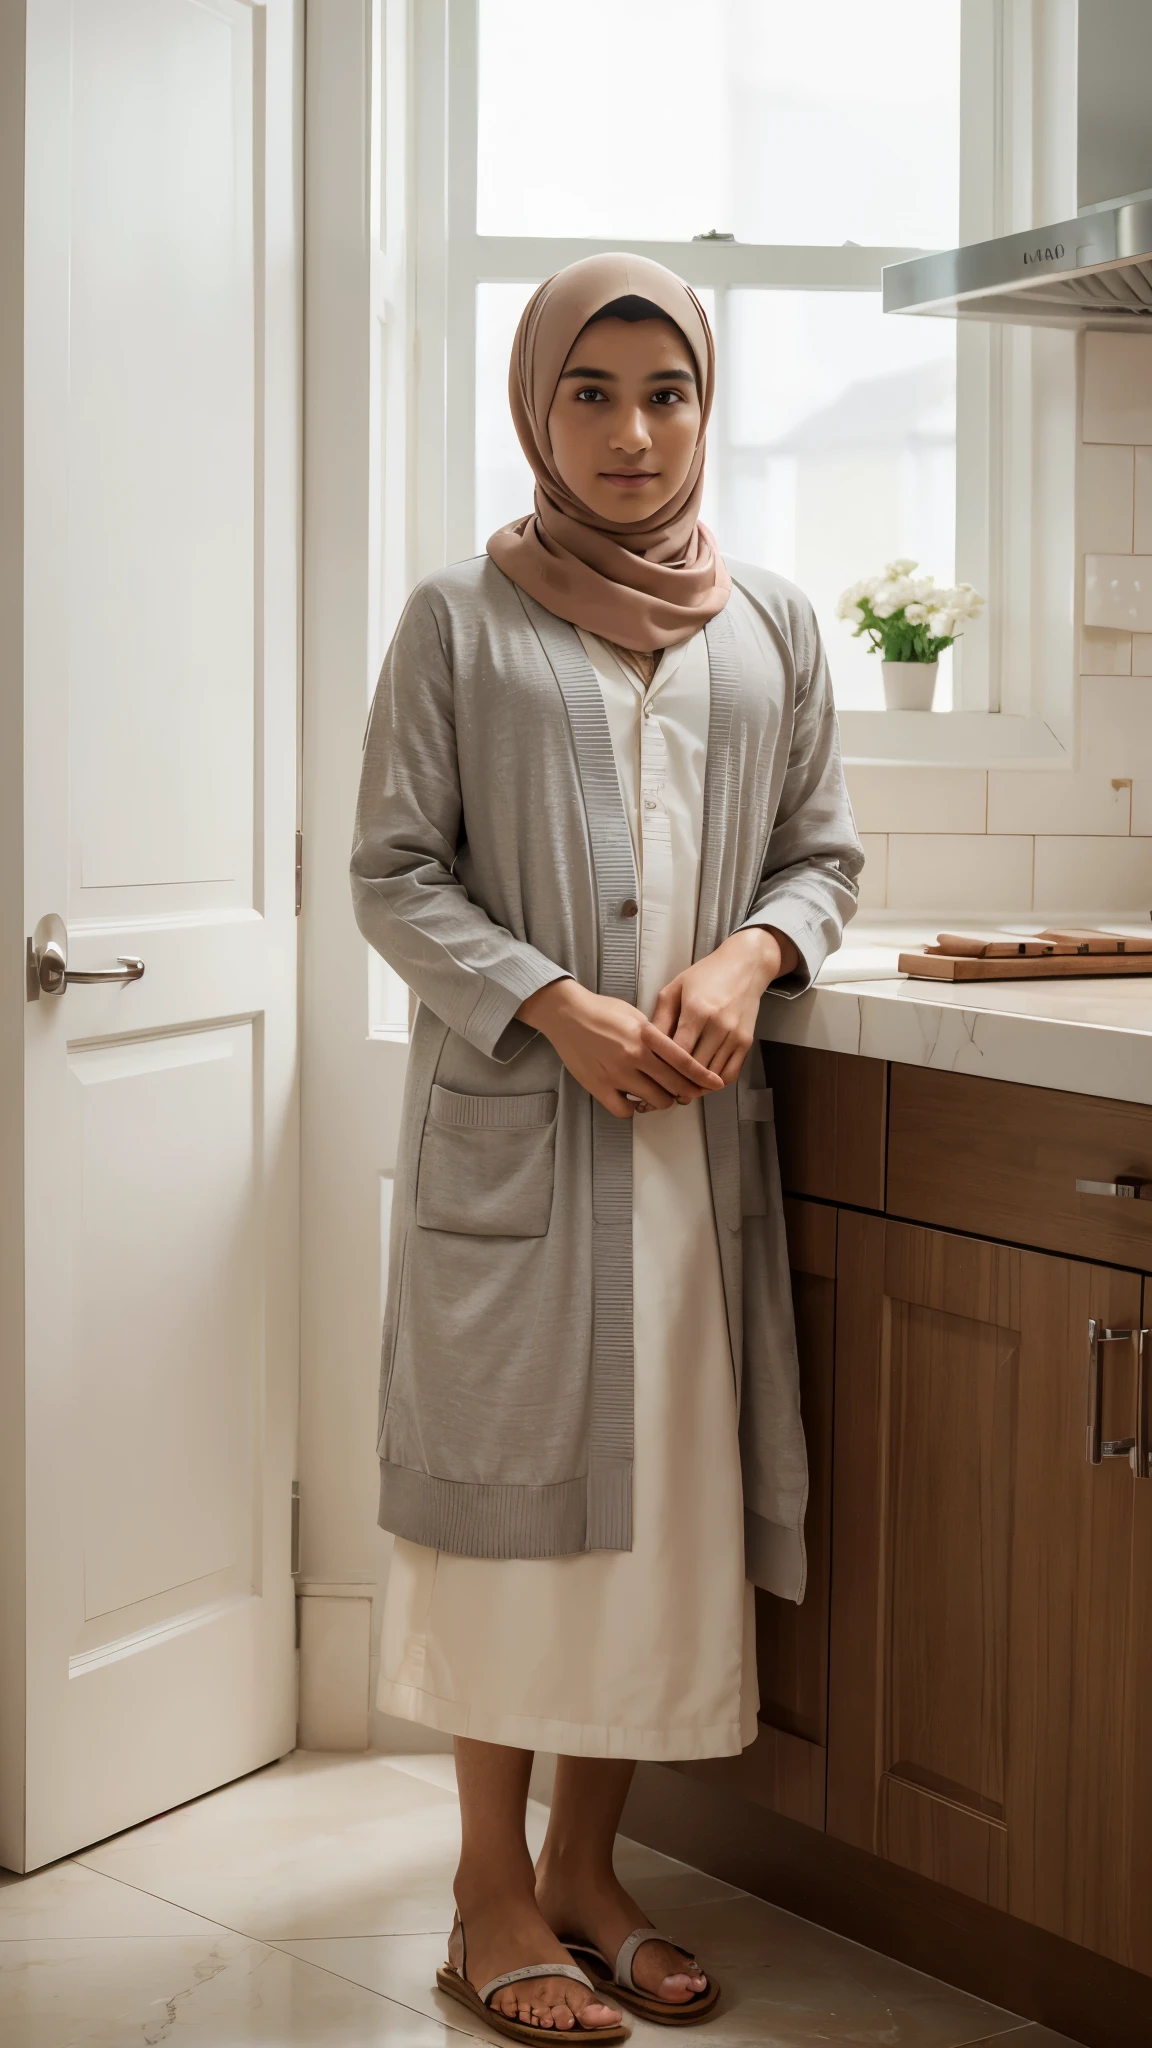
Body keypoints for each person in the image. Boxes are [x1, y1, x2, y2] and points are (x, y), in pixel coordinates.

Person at [350, 253, 862, 2043]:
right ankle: (487, 1889)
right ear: (534, 407)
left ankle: (586, 1870)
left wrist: (749, 951)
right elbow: (393, 875)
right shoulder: (455, 619)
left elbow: (824, 857)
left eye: (669, 392)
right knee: (517, 1530)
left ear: (708, 409)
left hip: (690, 1170)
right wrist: (555, 1002)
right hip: (522, 1149)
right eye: (593, 391)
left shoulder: (774, 623)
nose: (635, 432)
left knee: (648, 1526)